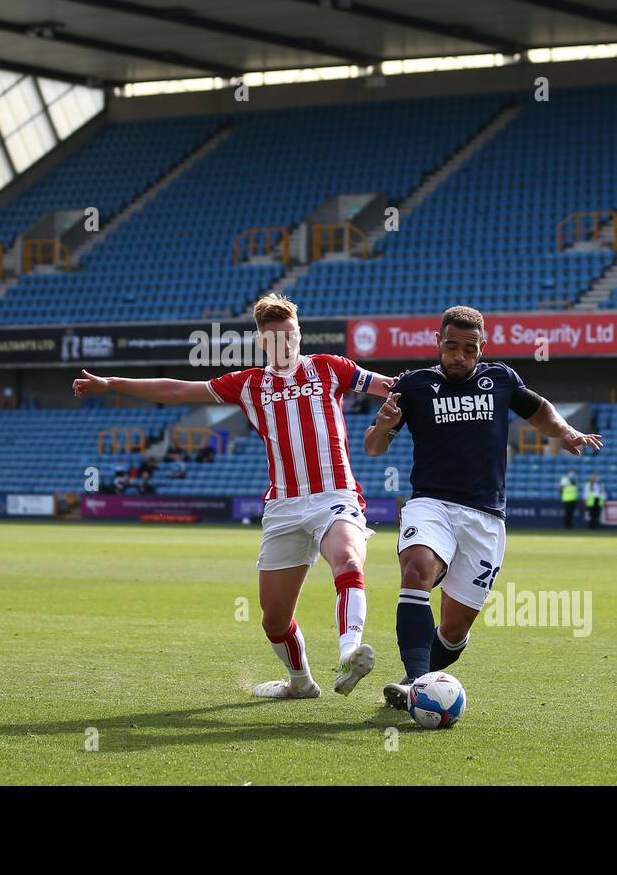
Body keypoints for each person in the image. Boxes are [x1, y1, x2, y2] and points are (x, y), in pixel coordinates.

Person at [72, 293, 398, 700]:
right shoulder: (248, 384)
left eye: (292, 335)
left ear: (300, 334)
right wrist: (111, 383)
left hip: (334, 495)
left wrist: (428, 386)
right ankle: (300, 684)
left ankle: (349, 651)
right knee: (274, 621)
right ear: (263, 343)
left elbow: (391, 387)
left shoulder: (328, 368)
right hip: (283, 507)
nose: (287, 344)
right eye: (277, 339)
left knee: (348, 558)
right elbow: (176, 391)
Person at [363, 305, 602, 710]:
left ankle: (417, 679)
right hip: (431, 503)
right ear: (438, 343)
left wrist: (565, 431)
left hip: (486, 517)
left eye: (469, 349)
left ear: (481, 347)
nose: (459, 356)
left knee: (454, 631)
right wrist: (383, 425)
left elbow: (539, 409)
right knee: (416, 570)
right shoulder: (415, 386)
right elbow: (373, 446)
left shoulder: (501, 379)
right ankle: (418, 682)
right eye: (451, 346)